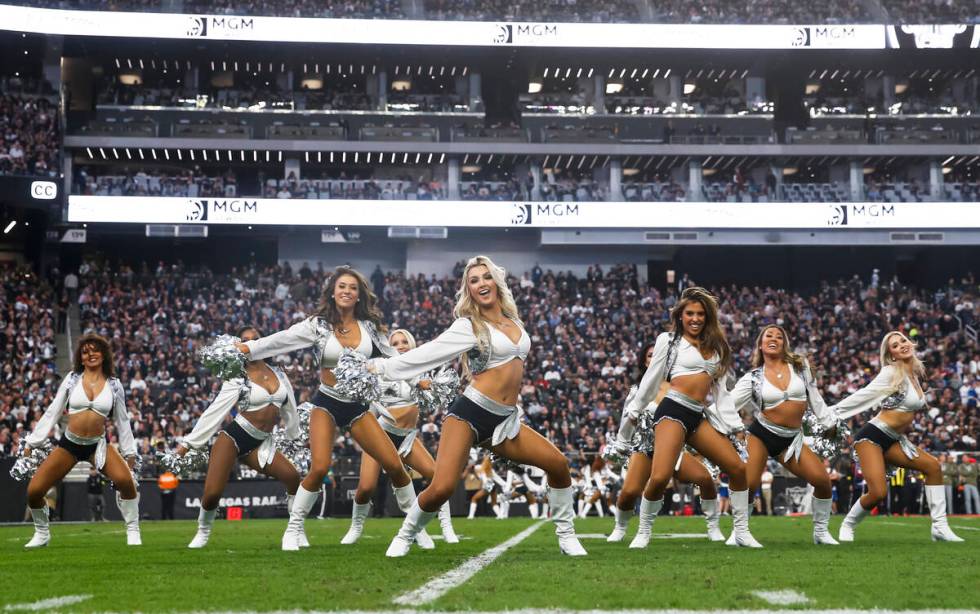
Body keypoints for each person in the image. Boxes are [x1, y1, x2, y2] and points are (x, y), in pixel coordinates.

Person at [360, 255, 587, 556]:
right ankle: (405, 536)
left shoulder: (514, 321)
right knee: (441, 487)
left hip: (505, 421)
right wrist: (381, 368)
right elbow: (427, 354)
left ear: (497, 281)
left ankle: (567, 536)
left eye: (486, 277)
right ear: (469, 289)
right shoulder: (468, 325)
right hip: (469, 413)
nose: (482, 283)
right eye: (474, 280)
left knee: (558, 464)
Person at [237, 267, 415, 551]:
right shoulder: (317, 325)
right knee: (319, 467)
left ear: (359, 295)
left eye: (353, 288)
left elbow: (396, 357)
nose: (347, 291)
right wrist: (250, 348)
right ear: (332, 292)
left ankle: (413, 526)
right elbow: (281, 339)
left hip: (357, 407)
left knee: (394, 465)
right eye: (341, 286)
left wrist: (422, 375)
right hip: (327, 402)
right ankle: (293, 529)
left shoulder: (369, 327)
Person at [623, 287, 758, 547]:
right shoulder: (669, 340)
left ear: (707, 317)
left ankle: (741, 532)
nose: (695, 318)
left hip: (698, 415)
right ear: (680, 316)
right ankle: (644, 531)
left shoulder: (716, 347)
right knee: (660, 477)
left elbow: (721, 392)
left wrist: (734, 426)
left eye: (700, 314)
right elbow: (651, 378)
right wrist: (636, 408)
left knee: (739, 469)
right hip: (672, 411)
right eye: (689, 314)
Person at [178, 326, 303, 549]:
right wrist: (187, 445)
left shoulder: (280, 373)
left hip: (260, 443)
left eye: (256, 339)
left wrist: (295, 436)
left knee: (293, 477)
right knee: (213, 493)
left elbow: (290, 407)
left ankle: (296, 528)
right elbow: (215, 412)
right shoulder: (237, 376)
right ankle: (203, 531)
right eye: (245, 340)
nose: (251, 343)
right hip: (233, 439)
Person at [833, 331, 963, 542]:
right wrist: (830, 413)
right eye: (895, 345)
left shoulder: (913, 373)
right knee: (878, 493)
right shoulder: (890, 372)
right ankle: (848, 525)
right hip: (871, 437)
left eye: (903, 340)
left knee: (933, 467)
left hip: (893, 439)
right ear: (891, 354)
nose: (902, 345)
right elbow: (863, 395)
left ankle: (940, 527)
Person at [341, 329, 459, 546]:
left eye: (405, 341)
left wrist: (433, 385)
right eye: (395, 342)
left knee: (436, 477)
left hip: (406, 438)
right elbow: (365, 400)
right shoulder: (382, 369)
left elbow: (433, 391)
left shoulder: (422, 368)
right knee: (366, 487)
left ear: (412, 344)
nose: (401, 345)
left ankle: (445, 527)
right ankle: (356, 527)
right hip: (381, 435)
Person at [21, 334, 141, 548]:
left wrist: (130, 453)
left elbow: (122, 421)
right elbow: (53, 411)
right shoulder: (72, 378)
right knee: (34, 492)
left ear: (103, 354)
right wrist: (32, 441)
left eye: (95, 350)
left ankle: (133, 530)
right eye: (85, 352)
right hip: (70, 445)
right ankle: (42, 533)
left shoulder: (114, 385)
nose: (90, 354)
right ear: (81, 358)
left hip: (98, 445)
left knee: (127, 482)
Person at [606, 342, 723, 546]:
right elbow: (627, 419)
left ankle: (713, 527)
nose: (654, 358)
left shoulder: (680, 386)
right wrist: (620, 444)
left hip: (673, 450)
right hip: (645, 449)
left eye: (658, 355)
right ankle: (620, 527)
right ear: (644, 361)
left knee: (704, 479)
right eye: (650, 355)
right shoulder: (637, 390)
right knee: (628, 493)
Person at [731, 325, 840, 545]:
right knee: (750, 484)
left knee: (822, 480)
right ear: (760, 345)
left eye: (779, 336)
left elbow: (815, 397)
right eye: (768, 336)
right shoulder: (752, 378)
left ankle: (820, 532)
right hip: (761, 434)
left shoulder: (800, 368)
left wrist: (829, 422)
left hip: (791, 439)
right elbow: (727, 405)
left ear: (784, 344)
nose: (774, 339)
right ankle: (739, 532)